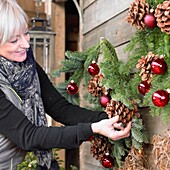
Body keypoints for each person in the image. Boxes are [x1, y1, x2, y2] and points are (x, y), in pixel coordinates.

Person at [0, 0, 132, 170]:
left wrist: (109, 119)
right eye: (14, 40)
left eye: (25, 33)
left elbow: (60, 109)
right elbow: (28, 136)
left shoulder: (25, 65)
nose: (26, 44)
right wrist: (93, 129)